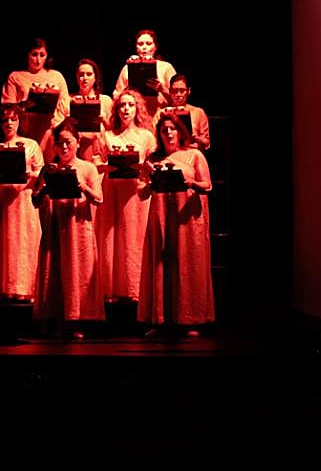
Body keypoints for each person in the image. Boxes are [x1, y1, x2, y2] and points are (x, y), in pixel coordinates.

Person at [139, 113, 214, 335]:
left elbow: (208, 185)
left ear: (180, 131)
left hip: (187, 219)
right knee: (163, 264)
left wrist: (189, 182)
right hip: (162, 218)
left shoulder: (194, 155)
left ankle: (190, 319)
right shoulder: (152, 159)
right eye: (164, 130)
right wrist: (150, 180)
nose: (169, 133)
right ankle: (161, 319)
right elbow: (143, 194)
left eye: (173, 129)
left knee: (188, 264)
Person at [33, 118, 104, 337]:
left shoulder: (87, 168)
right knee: (54, 271)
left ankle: (76, 320)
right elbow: (35, 201)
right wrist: (45, 187)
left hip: (78, 229)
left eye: (69, 142)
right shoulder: (49, 168)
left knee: (77, 271)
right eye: (60, 142)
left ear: (78, 142)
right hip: (55, 227)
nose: (64, 147)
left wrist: (80, 185)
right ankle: (54, 318)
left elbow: (99, 198)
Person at [97, 90, 156, 305]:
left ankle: (135, 289)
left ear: (137, 108)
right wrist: (108, 166)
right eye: (122, 105)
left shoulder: (146, 136)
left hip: (135, 194)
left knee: (133, 239)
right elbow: (97, 163)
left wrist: (141, 166)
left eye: (130, 105)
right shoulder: (108, 136)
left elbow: (152, 165)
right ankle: (113, 289)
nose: (126, 109)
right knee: (113, 239)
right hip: (113, 190)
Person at [0, 104, 43, 302]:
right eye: (4, 120)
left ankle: (28, 288)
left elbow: (41, 173)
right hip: (4, 201)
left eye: (13, 119)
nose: (9, 123)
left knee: (25, 241)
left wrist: (29, 174)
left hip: (24, 201)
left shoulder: (30, 144)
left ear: (19, 121)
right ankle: (8, 288)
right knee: (7, 242)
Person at [2, 38, 71, 162]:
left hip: (49, 131)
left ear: (47, 56)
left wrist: (56, 126)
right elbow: (7, 107)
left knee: (46, 170)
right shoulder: (16, 77)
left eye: (42, 55)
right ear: (27, 55)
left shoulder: (56, 76)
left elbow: (65, 106)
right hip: (25, 131)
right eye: (34, 54)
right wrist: (22, 106)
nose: (38, 59)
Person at [112, 29, 177, 119]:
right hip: (135, 118)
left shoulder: (166, 67)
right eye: (140, 44)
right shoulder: (127, 69)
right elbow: (116, 97)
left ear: (155, 46)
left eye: (148, 43)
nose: (144, 47)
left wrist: (161, 89)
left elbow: (178, 99)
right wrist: (128, 90)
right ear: (136, 47)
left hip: (159, 118)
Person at [69, 58, 113, 163]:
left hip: (102, 148)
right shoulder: (69, 100)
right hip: (77, 149)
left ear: (95, 77)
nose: (84, 78)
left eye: (89, 74)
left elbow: (116, 130)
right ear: (77, 77)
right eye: (81, 75)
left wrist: (103, 120)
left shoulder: (105, 101)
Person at [155, 74, 211, 151]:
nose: (178, 94)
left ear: (188, 91)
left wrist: (196, 138)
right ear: (170, 91)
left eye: (182, 90)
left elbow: (206, 142)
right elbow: (156, 140)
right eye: (175, 91)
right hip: (169, 155)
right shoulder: (161, 113)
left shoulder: (198, 112)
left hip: (192, 154)